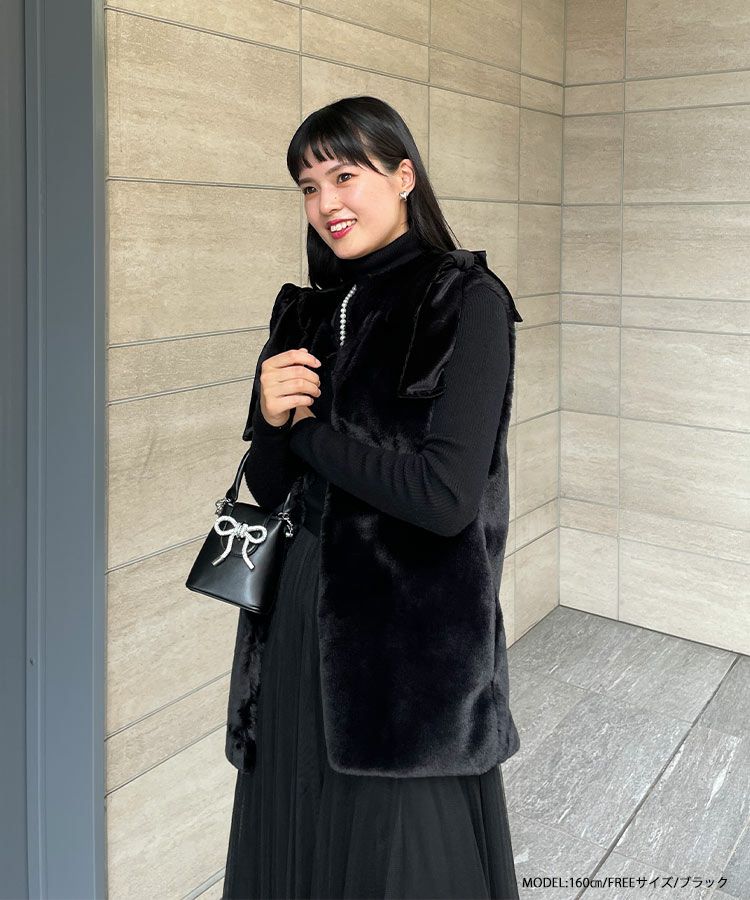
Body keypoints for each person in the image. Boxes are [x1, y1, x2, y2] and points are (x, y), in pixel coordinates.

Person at [222, 95, 521, 899]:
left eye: (344, 176)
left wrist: (307, 435)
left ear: (403, 175)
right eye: (308, 187)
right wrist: (272, 426)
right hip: (295, 616)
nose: (326, 203)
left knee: (402, 859)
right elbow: (271, 489)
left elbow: (444, 496)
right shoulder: (303, 311)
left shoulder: (465, 300)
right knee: (297, 831)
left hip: (410, 643)